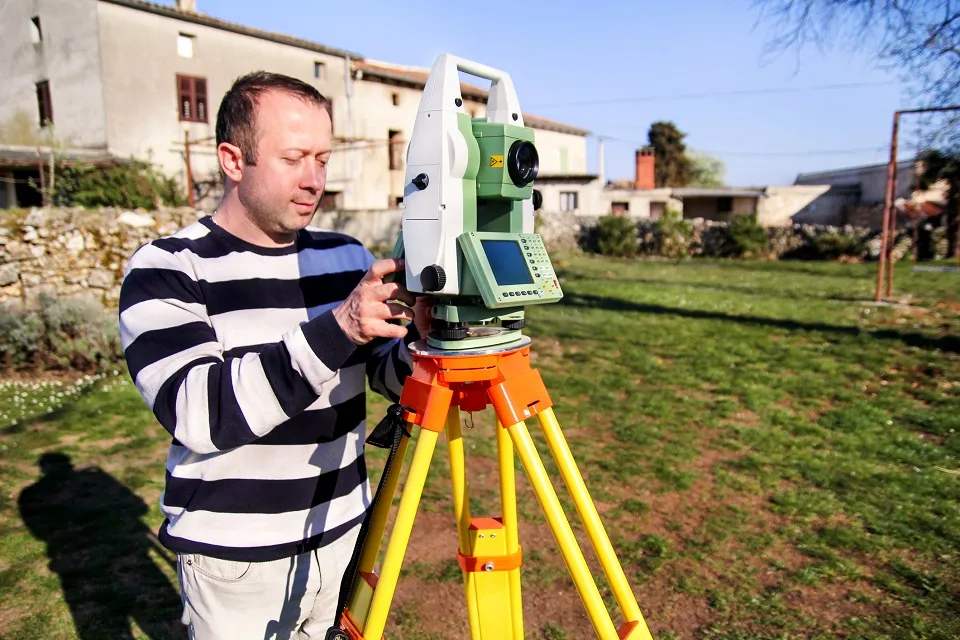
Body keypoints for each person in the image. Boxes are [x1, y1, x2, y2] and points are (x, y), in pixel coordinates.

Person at [118, 71, 431, 639]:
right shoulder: (168, 269)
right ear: (233, 160)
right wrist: (338, 328)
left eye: (323, 158)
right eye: (294, 158)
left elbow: (385, 374)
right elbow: (202, 413)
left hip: (340, 532)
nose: (314, 180)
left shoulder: (345, 255)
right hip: (237, 558)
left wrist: (426, 339)